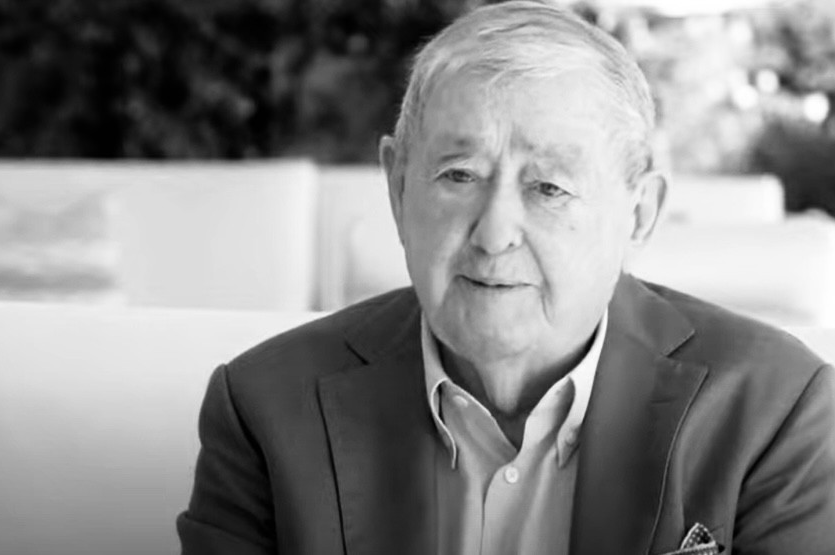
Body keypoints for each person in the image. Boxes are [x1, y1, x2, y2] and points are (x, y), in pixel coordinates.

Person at [177, 2, 835, 554]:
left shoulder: (776, 409)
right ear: (397, 186)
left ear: (638, 214)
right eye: (459, 175)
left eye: (548, 187)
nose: (493, 235)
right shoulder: (265, 406)